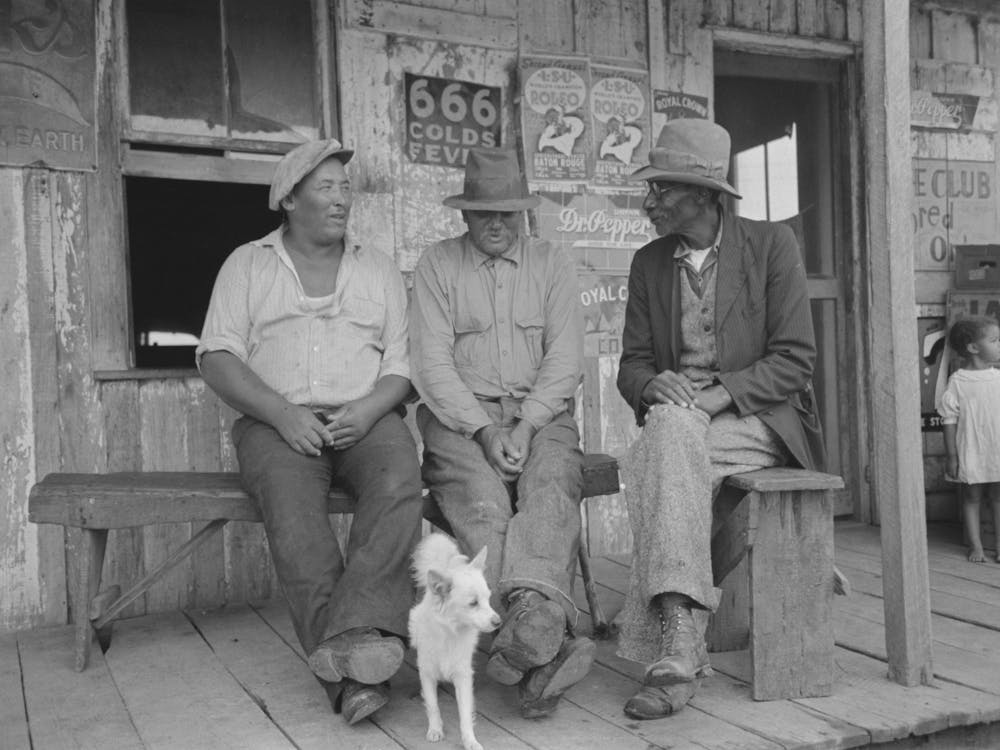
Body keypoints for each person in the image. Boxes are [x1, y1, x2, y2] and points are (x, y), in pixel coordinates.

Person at [196, 139, 423, 725]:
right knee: (296, 515)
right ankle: (353, 677)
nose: (342, 198)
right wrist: (281, 413)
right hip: (276, 424)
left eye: (345, 187)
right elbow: (216, 356)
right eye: (326, 187)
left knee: (400, 481)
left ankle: (347, 645)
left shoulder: (377, 267)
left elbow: (400, 364)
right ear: (289, 199)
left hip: (364, 418)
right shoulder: (247, 264)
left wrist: (371, 409)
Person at [615, 118, 825, 719]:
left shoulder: (771, 246)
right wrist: (651, 382)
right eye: (652, 189)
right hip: (681, 427)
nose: (649, 201)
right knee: (669, 436)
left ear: (705, 195)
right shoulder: (649, 263)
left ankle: (673, 631)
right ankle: (680, 639)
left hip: (758, 419)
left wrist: (718, 396)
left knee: (657, 448)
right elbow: (631, 364)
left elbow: (795, 360)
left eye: (663, 190)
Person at [410, 147, 596, 719]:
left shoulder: (553, 263)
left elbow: (565, 358)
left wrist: (527, 422)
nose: (496, 224)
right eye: (484, 213)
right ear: (464, 214)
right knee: (485, 504)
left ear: (524, 214)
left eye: (508, 214)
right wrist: (487, 430)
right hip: (459, 422)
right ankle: (543, 644)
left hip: (541, 418)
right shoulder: (437, 265)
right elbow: (431, 366)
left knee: (550, 485)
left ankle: (528, 632)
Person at [938, 315, 1000, 562]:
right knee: (972, 497)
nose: (999, 345)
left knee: (998, 496)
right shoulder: (958, 382)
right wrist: (952, 456)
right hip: (972, 449)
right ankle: (976, 546)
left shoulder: (998, 378)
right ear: (974, 348)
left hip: (997, 448)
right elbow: (949, 420)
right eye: (995, 340)